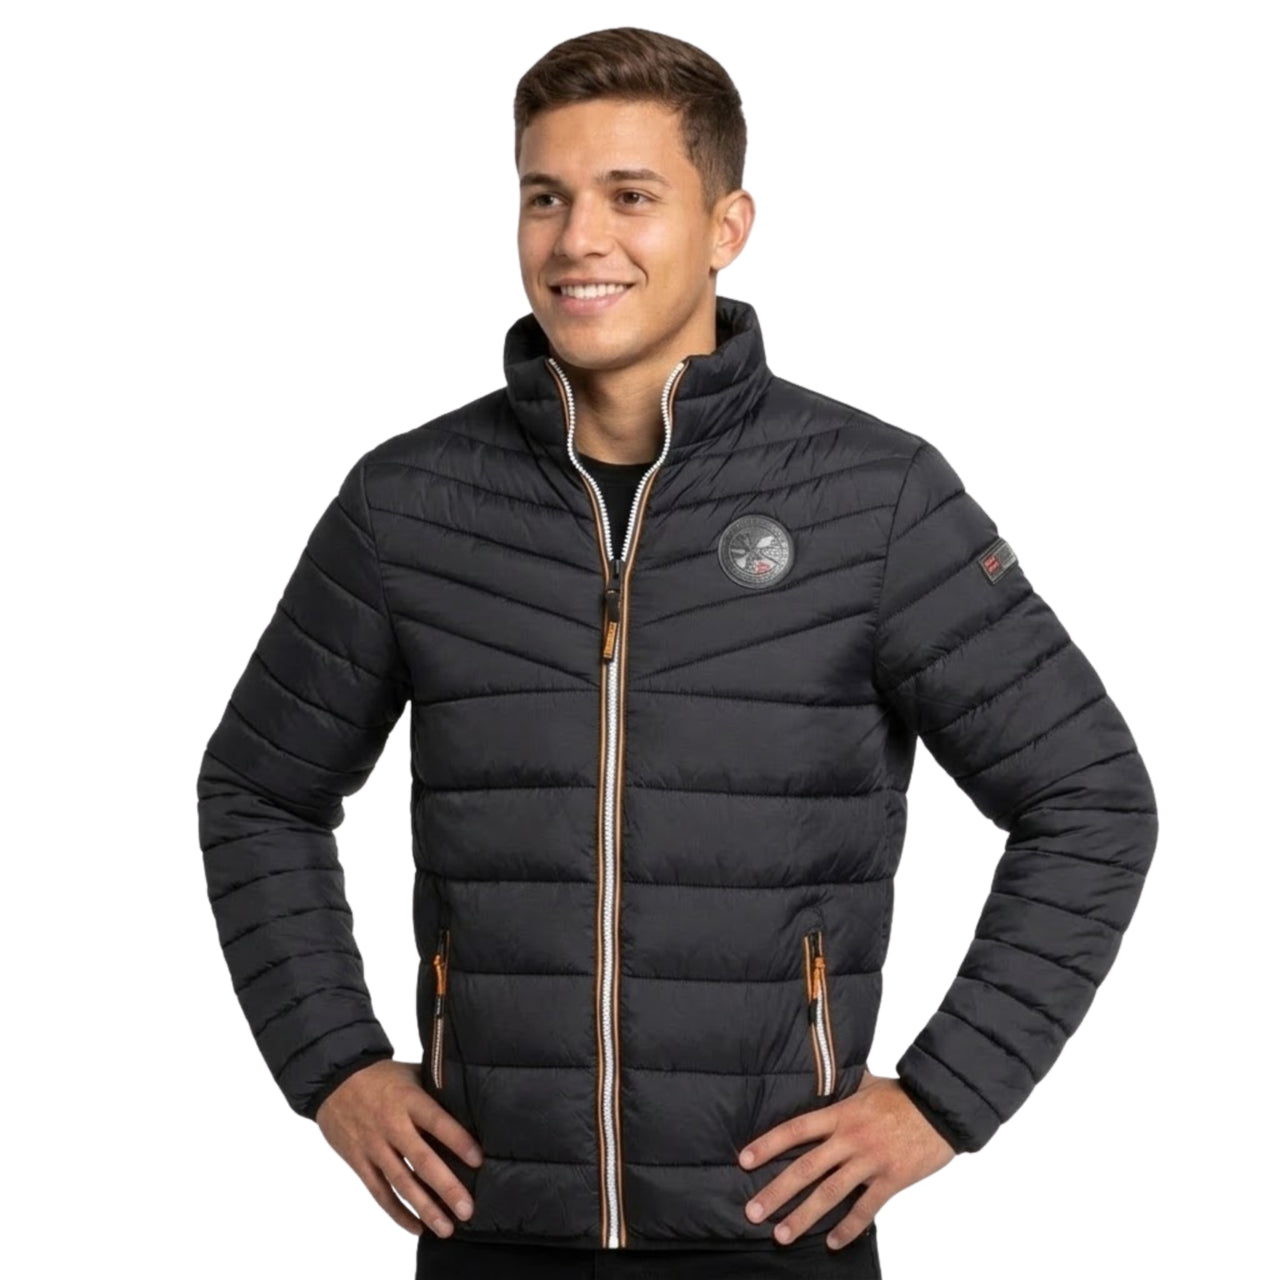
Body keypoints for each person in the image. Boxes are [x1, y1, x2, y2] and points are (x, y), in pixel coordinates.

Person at [195, 25, 1158, 1280]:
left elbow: (1088, 798)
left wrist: (943, 1097)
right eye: (545, 197)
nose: (577, 240)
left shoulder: (870, 500)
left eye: (630, 196)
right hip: (491, 1223)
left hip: (775, 1226)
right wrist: (332, 1064)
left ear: (725, 226)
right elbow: (258, 790)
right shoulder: (411, 503)